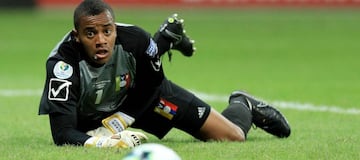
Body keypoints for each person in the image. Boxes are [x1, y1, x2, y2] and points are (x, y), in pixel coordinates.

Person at [39, 0, 291, 148]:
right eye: (91, 33)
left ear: (115, 29)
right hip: (97, 118)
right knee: (82, 138)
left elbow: (152, 86)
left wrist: (120, 122)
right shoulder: (63, 65)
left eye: (107, 31)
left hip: (144, 99)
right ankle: (169, 37)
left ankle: (242, 102)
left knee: (233, 137)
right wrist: (105, 142)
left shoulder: (135, 39)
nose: (101, 40)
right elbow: (62, 132)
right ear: (77, 36)